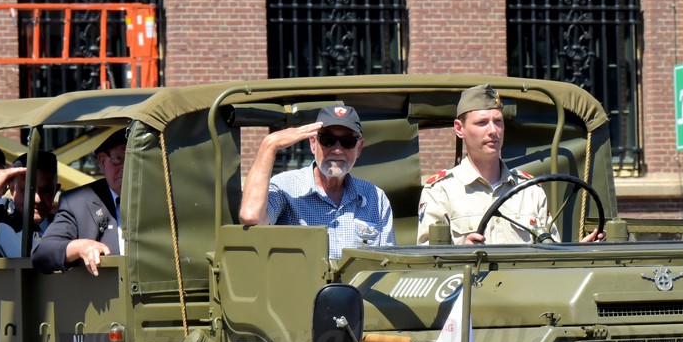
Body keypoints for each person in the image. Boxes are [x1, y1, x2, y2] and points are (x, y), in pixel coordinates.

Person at [417, 84, 604, 245]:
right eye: (482, 123)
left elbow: (550, 256)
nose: (493, 131)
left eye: (498, 122)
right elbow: (427, 263)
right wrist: (460, 254)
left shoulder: (529, 190)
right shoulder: (441, 191)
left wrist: (575, 252)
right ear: (460, 128)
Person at [236, 105, 394, 260]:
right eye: (328, 140)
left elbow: (388, 265)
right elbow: (252, 216)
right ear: (313, 143)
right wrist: (269, 144)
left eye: (347, 141)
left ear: (359, 148)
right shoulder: (285, 188)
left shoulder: (375, 198)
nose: (337, 149)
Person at [33, 129, 127, 275]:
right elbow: (43, 253)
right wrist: (79, 247)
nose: (127, 168)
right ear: (102, 161)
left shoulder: (168, 198)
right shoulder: (78, 202)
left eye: (136, 161)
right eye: (119, 159)